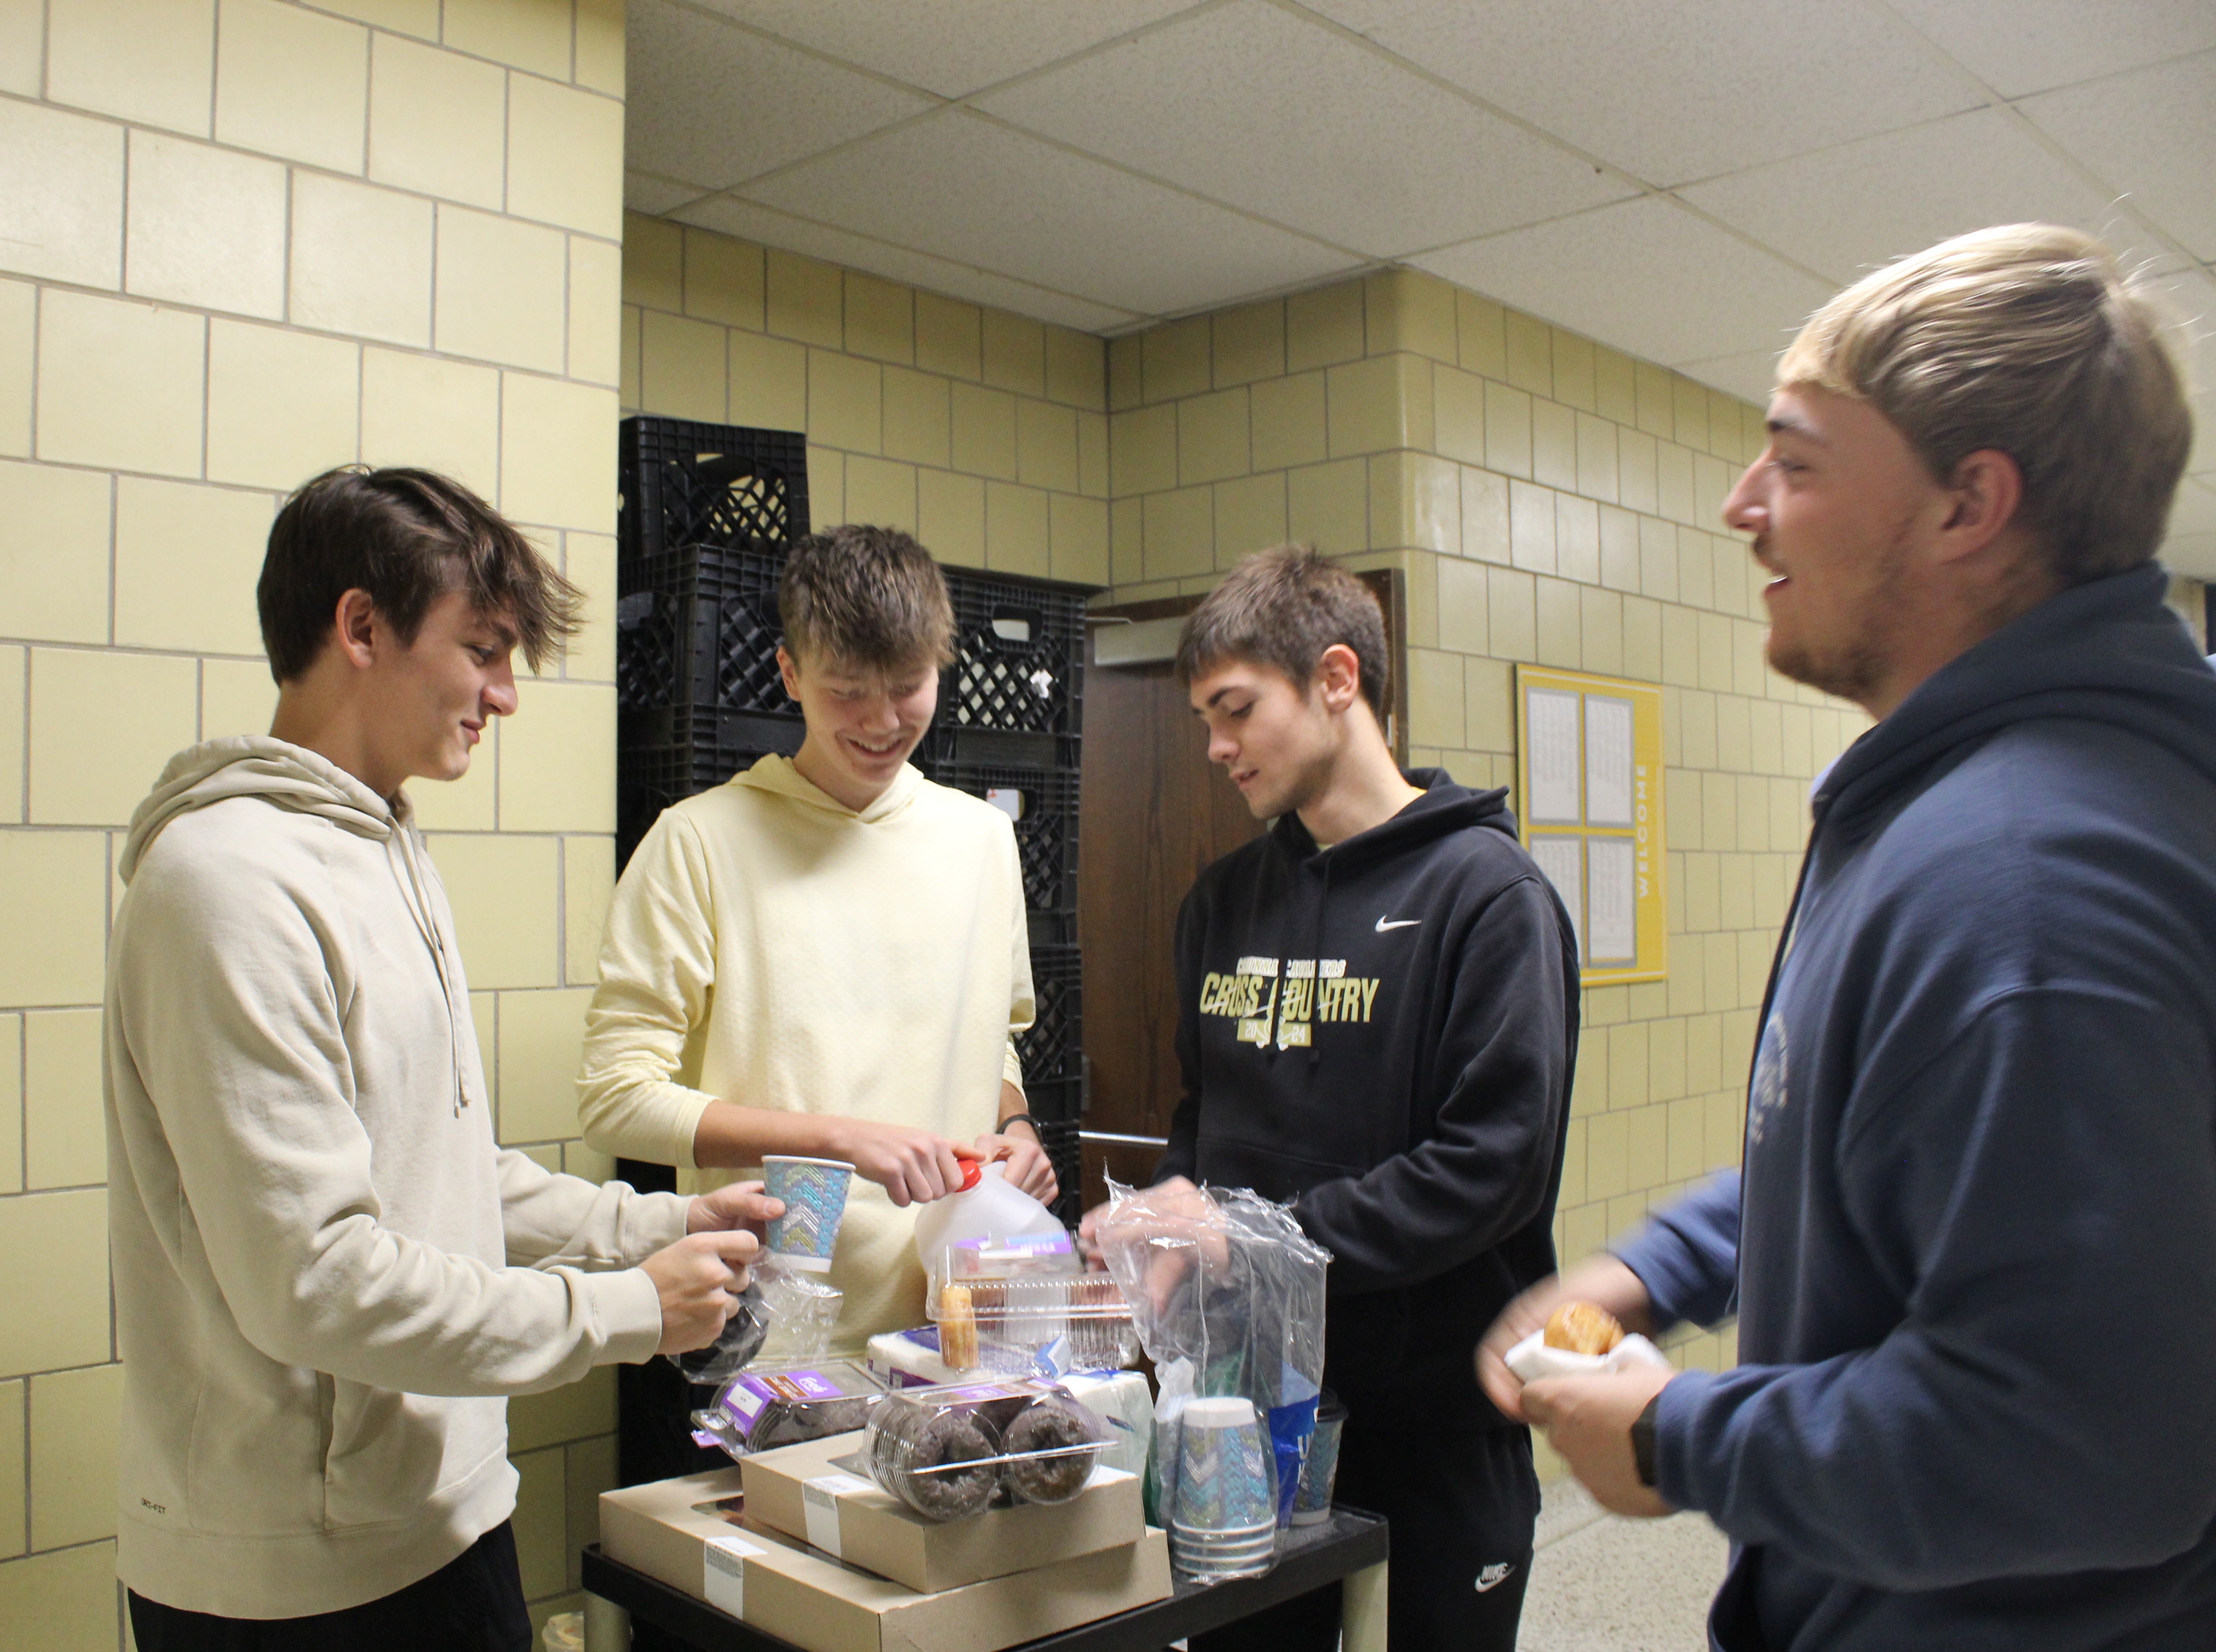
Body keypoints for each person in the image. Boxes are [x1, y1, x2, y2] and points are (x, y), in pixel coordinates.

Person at [1478, 224, 2216, 1651]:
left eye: (1798, 462)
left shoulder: (2026, 884)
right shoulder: (1960, 807)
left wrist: (1684, 1435)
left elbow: (2090, 1445)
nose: (1742, 502)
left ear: (1968, 507)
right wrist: (1661, 1269)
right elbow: (1893, 1160)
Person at [106, 466, 780, 1651]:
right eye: (484, 649)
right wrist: (626, 1306)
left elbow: (448, 1171)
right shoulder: (224, 885)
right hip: (295, 1580)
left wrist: (650, 1231)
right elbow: (314, 1274)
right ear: (360, 626)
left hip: (446, 1513)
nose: (505, 695)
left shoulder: (387, 849)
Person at [1092, 546, 1578, 1652]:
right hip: (1243, 1426)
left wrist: (1249, 1236)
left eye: (1236, 711)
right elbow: (1201, 1126)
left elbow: (1488, 1169)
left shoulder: (1489, 898)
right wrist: (1160, 1221)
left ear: (1338, 680)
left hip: (1436, 1428)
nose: (1215, 749)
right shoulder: (1220, 902)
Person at [577, 524, 1053, 1353]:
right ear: (789, 674)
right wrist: (841, 1140)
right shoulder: (700, 841)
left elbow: (993, 1041)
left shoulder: (980, 841)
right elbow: (615, 1101)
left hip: (957, 1313)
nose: (880, 721)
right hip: (776, 1330)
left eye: (907, 687)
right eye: (846, 692)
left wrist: (1016, 1131)